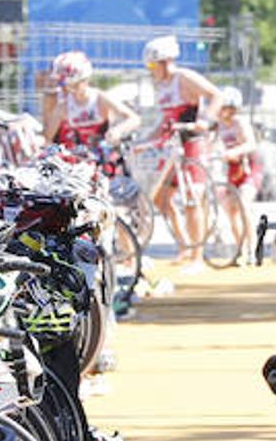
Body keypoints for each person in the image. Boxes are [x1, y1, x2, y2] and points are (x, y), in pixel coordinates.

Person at [143, 35, 222, 270]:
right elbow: (165, 121)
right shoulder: (161, 86)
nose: (150, 71)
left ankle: (197, 256)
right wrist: (144, 141)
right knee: (159, 196)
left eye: (152, 65)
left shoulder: (183, 77)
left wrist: (206, 120)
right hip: (173, 145)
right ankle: (185, 246)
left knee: (192, 198)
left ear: (165, 62)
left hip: (193, 143)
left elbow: (216, 95)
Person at [40, 51, 139, 152]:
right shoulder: (63, 106)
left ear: (83, 80)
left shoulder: (100, 98)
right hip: (73, 159)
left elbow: (134, 118)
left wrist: (118, 130)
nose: (65, 89)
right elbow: (48, 138)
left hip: (101, 158)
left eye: (71, 85)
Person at [212, 87, 261, 263]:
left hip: (248, 168)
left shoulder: (239, 122)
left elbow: (251, 144)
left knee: (244, 204)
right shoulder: (219, 124)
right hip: (232, 171)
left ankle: (253, 249)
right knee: (230, 209)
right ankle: (240, 248)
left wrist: (234, 151)